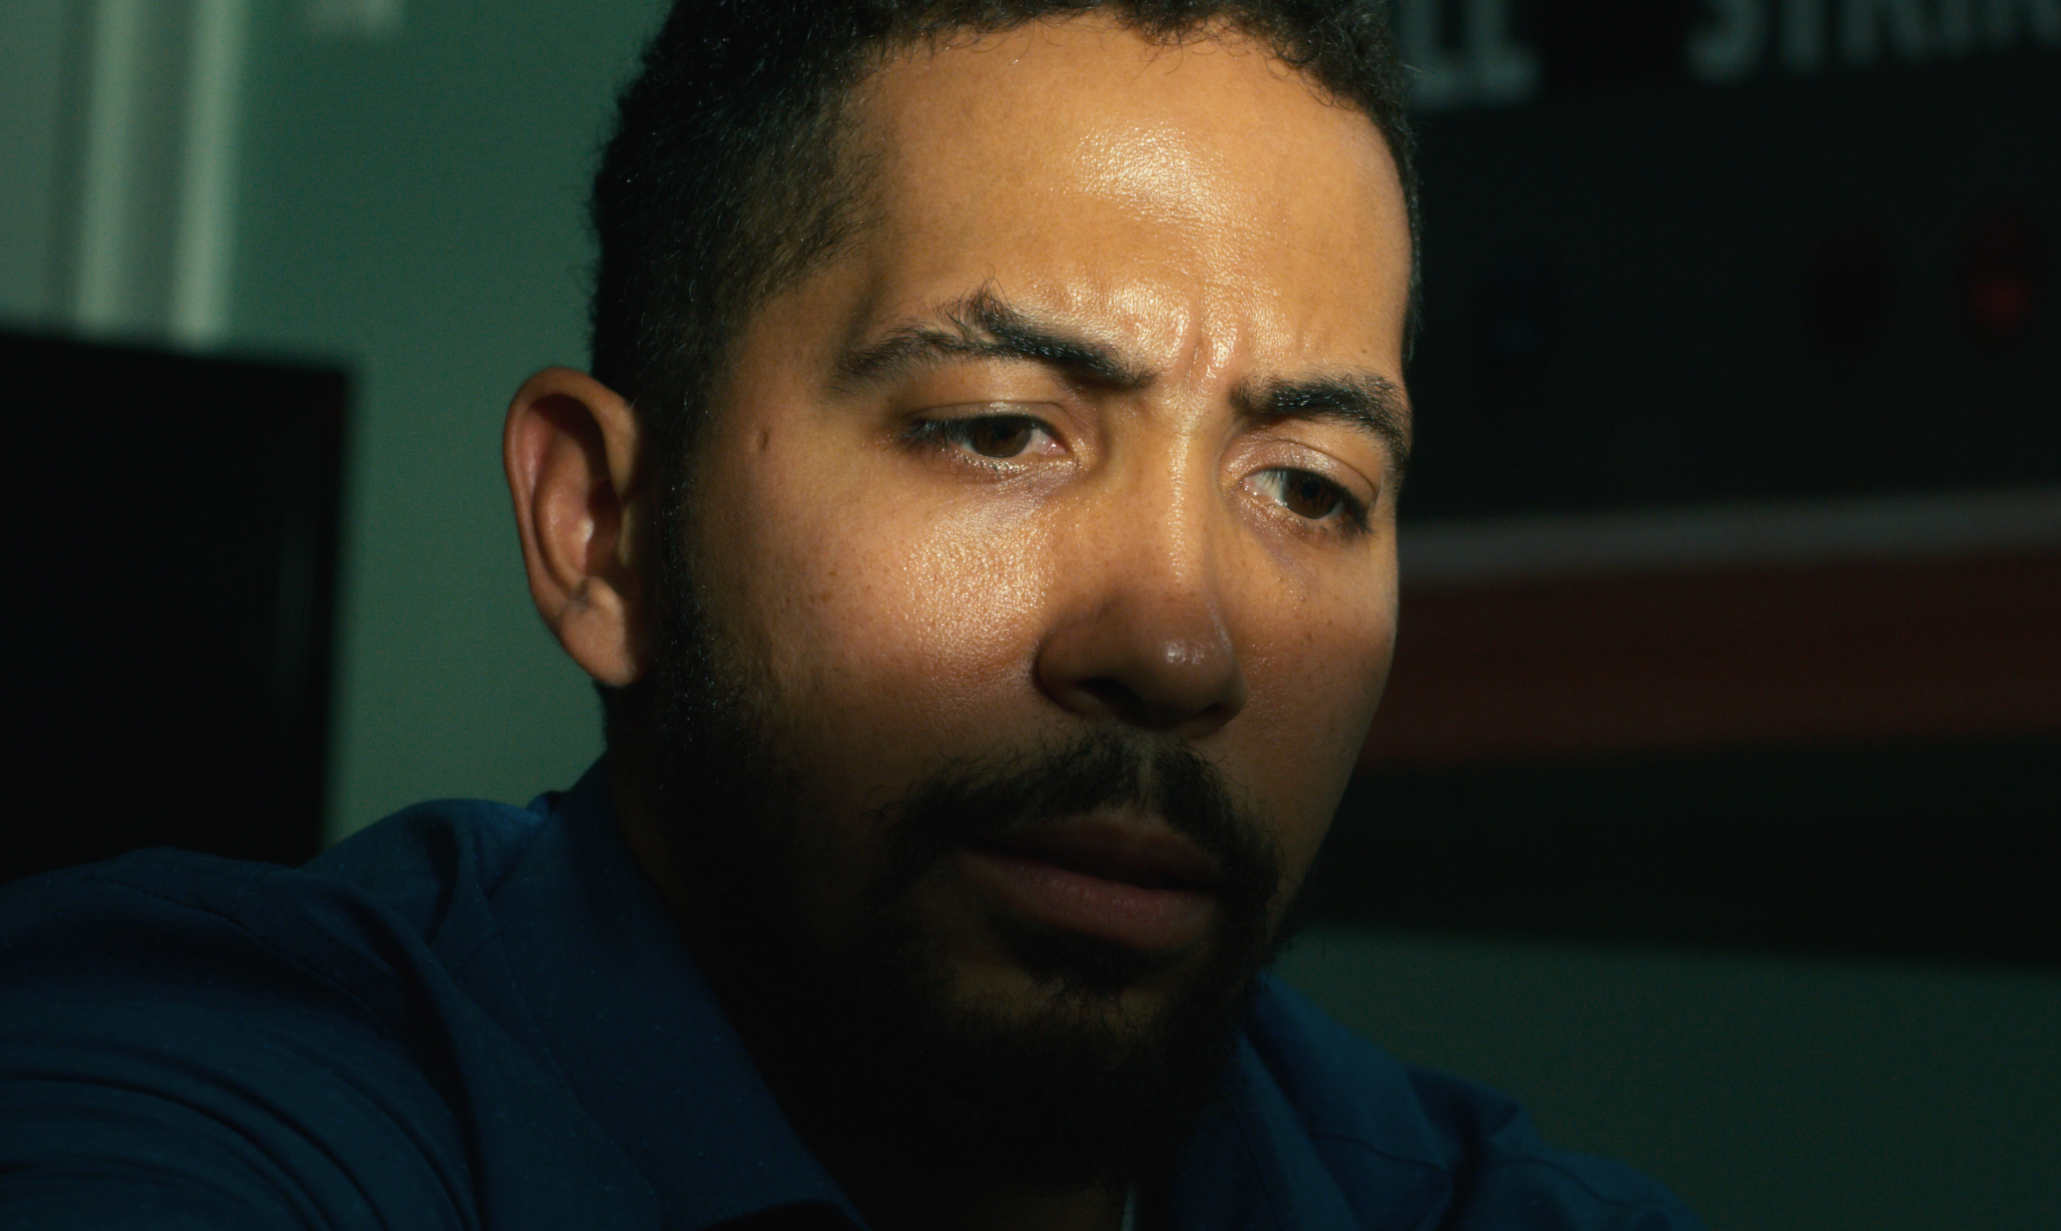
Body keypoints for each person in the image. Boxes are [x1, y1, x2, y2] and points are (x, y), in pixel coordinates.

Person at [1, 3, 1702, 1228]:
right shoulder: (199, 1082)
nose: (1183, 644)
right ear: (603, 532)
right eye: (1002, 431)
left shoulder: (1472, 1200)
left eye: (1310, 489)